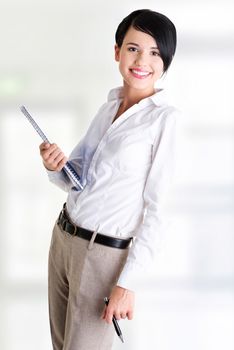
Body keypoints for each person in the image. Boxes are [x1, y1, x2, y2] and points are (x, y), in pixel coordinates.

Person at [39, 8, 179, 350]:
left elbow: (159, 211)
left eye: (155, 52)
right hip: (63, 238)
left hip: (103, 255)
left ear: (165, 62)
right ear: (117, 52)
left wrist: (127, 283)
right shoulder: (109, 106)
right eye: (133, 48)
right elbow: (79, 176)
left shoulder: (164, 121)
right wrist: (56, 164)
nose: (142, 60)